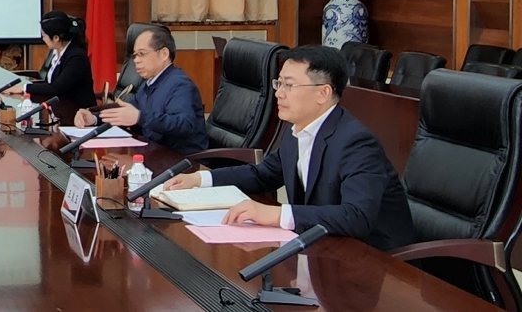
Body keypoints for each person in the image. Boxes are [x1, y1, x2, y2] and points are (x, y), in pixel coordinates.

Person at [164, 45, 416, 251]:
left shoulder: (356, 143)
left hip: (377, 263)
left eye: (289, 85)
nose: (279, 94)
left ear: (323, 93)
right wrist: (201, 179)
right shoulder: (297, 129)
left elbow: (357, 216)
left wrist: (276, 215)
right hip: (323, 246)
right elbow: (263, 174)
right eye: (279, 84)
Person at [74, 25, 207, 155]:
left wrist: (139, 117)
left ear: (164, 54)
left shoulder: (180, 85)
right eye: (135, 55)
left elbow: (184, 124)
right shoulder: (149, 83)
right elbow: (127, 112)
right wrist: (94, 119)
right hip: (153, 153)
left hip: (180, 160)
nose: (136, 61)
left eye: (142, 54)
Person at [6, 11, 96, 119]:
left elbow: (57, 87)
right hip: (59, 110)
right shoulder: (56, 51)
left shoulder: (76, 57)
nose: (42, 39)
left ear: (56, 38)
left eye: (44, 36)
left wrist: (25, 88)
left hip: (78, 115)